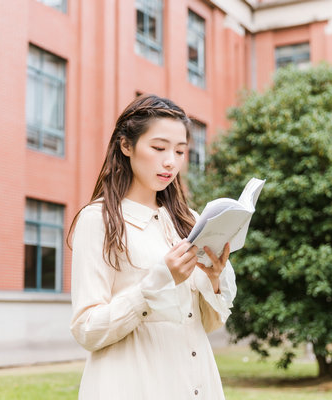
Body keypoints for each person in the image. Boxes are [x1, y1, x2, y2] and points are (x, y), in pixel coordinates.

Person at [68, 94, 237, 399]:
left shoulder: (189, 221)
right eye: (158, 148)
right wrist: (158, 283)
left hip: (198, 384)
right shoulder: (99, 219)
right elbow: (87, 329)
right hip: (135, 385)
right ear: (126, 146)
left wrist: (213, 278)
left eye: (180, 151)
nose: (170, 161)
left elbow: (208, 324)